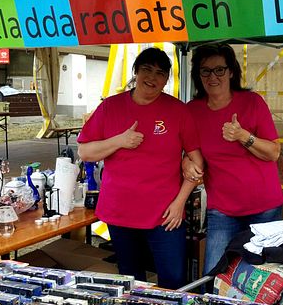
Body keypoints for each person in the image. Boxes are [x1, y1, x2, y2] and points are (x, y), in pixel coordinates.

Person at [78, 47, 203, 289]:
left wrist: (180, 204)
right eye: (146, 69)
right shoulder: (110, 107)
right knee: (131, 280)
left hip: (166, 215)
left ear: (167, 79)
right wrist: (120, 141)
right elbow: (85, 151)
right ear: (135, 72)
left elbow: (197, 163)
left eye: (160, 73)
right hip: (120, 212)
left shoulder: (178, 111)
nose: (152, 77)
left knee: (173, 281)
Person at [183, 43, 283, 275]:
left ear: (231, 71)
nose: (212, 76)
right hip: (223, 209)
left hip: (264, 206)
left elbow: (273, 152)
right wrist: (186, 162)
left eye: (219, 69)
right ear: (198, 75)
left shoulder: (252, 102)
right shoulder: (192, 110)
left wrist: (242, 136)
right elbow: (189, 150)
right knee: (214, 273)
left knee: (259, 275)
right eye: (205, 71)